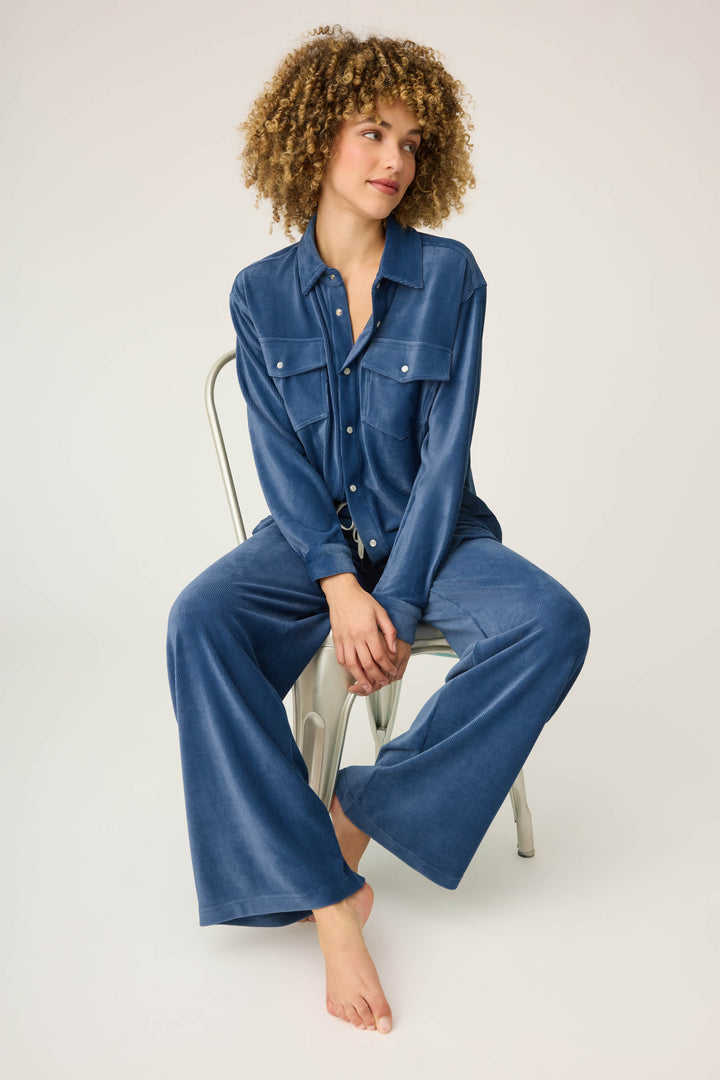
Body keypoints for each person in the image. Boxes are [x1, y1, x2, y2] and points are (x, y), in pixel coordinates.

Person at [166, 26, 591, 1036]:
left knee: (552, 622)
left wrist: (395, 595)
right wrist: (337, 585)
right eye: (371, 131)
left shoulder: (450, 276)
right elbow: (280, 462)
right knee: (199, 621)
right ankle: (330, 896)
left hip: (433, 536)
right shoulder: (259, 295)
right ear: (316, 140)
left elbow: (447, 459)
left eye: (410, 140)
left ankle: (354, 815)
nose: (394, 159)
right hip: (309, 546)